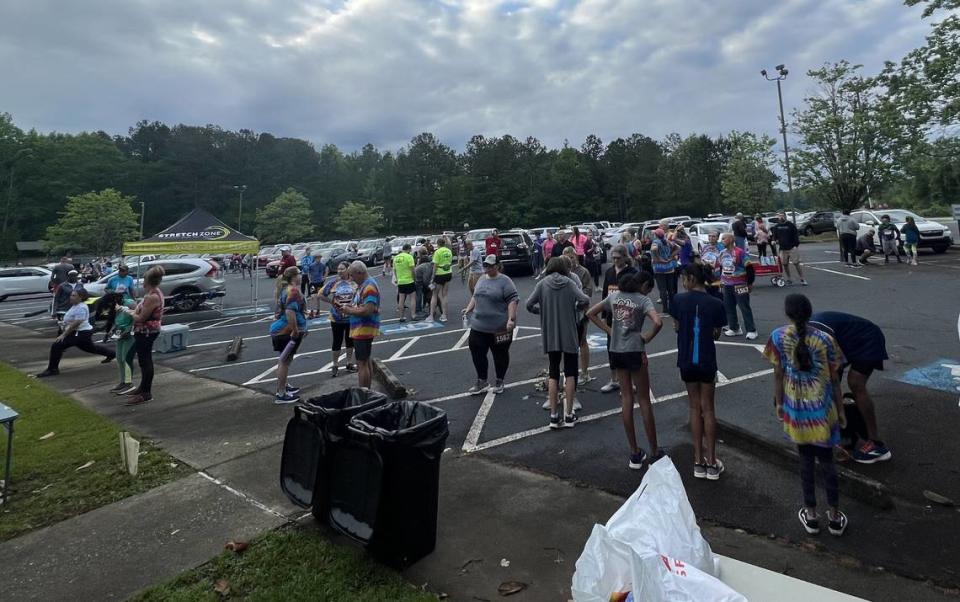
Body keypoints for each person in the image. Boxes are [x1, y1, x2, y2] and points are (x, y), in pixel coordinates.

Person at [764, 294, 848, 537]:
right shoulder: (826, 340)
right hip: (823, 410)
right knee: (828, 462)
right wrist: (841, 410)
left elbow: (778, 374)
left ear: (787, 313)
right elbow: (835, 379)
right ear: (810, 312)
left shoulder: (778, 337)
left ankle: (811, 514)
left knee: (805, 462)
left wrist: (780, 403)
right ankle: (834, 515)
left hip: (796, 409)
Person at [587, 270, 662, 469]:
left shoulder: (614, 297)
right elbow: (658, 321)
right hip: (635, 350)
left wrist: (610, 331)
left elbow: (590, 313)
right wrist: (646, 337)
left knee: (626, 398)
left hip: (617, 350)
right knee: (644, 399)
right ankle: (654, 450)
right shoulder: (643, 300)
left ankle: (634, 452)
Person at [809, 311, 892, 463]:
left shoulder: (819, 336)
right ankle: (836, 437)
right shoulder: (801, 337)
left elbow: (834, 379)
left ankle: (877, 444)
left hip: (867, 338)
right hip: (847, 342)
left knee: (856, 383)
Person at [670, 263, 727, 480]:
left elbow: (676, 326)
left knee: (694, 407)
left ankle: (697, 460)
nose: (683, 283)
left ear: (692, 279)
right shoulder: (716, 303)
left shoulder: (677, 301)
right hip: (706, 359)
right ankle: (712, 462)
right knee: (708, 409)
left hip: (686, 360)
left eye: (684, 278)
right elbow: (716, 334)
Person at [526, 257, 590, 429]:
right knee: (570, 372)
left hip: (550, 333)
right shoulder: (569, 283)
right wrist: (575, 308)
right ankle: (569, 415)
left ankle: (554, 416)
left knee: (553, 372)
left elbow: (528, 304)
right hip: (568, 332)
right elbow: (585, 300)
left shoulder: (542, 284)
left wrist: (542, 311)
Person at [462, 254, 519, 395]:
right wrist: (468, 309)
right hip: (478, 325)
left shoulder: (505, 281)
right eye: (486, 265)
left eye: (490, 265)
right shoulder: (481, 279)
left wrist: (511, 319)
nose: (487, 268)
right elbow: (475, 296)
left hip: (499, 327)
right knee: (476, 352)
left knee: (500, 354)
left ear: (497, 266)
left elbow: (513, 300)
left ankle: (500, 380)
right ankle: (482, 380)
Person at [36, 288, 115, 377]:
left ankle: (52, 369)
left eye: (74, 295)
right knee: (90, 348)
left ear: (81, 297)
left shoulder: (81, 307)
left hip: (81, 333)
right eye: (71, 295)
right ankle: (112, 354)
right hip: (79, 332)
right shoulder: (76, 305)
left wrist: (64, 334)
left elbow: (77, 323)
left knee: (57, 345)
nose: (71, 297)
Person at [119, 266, 165, 405]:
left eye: (143, 279)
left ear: (148, 281)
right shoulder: (151, 294)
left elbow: (140, 318)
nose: (141, 282)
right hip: (143, 332)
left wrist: (128, 312)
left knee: (145, 362)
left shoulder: (152, 296)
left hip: (147, 332)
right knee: (143, 360)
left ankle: (146, 393)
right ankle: (142, 388)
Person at [599, 244, 637, 394]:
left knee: (627, 349)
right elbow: (604, 293)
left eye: (618, 258)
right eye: (613, 258)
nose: (615, 260)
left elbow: (636, 294)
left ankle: (629, 382)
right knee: (611, 348)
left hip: (627, 315)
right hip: (611, 316)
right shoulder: (609, 272)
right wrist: (603, 315)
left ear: (624, 257)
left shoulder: (632, 272)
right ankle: (614, 379)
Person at [338, 261, 380, 388]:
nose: (352, 279)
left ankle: (364, 392)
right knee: (365, 361)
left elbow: (368, 310)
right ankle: (368, 391)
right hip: (361, 328)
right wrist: (350, 306)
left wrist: (349, 310)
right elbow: (362, 306)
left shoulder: (369, 287)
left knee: (361, 364)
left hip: (364, 329)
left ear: (360, 273)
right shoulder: (363, 285)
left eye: (353, 275)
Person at [269, 267, 307, 404]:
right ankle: (281, 393)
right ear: (294, 276)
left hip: (282, 331)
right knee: (284, 362)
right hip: (285, 332)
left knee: (285, 360)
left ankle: (284, 386)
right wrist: (296, 330)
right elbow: (290, 313)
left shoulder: (287, 290)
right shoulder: (293, 291)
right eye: (299, 273)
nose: (301, 275)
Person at [318, 262, 358, 377]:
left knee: (350, 340)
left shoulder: (354, 282)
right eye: (338, 269)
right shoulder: (333, 283)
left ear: (348, 269)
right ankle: (335, 365)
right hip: (336, 317)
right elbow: (320, 294)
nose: (340, 271)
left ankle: (349, 362)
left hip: (351, 316)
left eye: (342, 269)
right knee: (337, 341)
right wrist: (332, 302)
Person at [563, 246, 595, 385]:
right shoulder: (562, 273)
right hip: (566, 314)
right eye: (566, 258)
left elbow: (588, 291)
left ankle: (585, 372)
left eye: (571, 257)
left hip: (581, 312)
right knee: (568, 345)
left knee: (582, 341)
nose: (569, 260)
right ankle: (570, 372)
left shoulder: (583, 272)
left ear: (575, 257)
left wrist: (578, 301)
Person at [719, 233, 757, 339]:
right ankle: (734, 328)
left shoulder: (740, 252)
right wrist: (721, 281)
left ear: (731, 240)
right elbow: (722, 268)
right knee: (729, 306)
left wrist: (750, 283)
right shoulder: (722, 253)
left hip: (740, 284)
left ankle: (751, 330)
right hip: (727, 284)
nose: (721, 241)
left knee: (744, 307)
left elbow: (749, 268)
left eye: (723, 239)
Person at [110, 294, 138, 394]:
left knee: (126, 358)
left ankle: (129, 382)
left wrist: (130, 329)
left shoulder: (130, 303)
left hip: (129, 333)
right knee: (119, 357)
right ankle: (123, 381)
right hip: (120, 332)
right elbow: (115, 318)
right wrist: (113, 328)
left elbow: (137, 315)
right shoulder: (113, 305)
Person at [771, 212, 807, 285]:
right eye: (779, 216)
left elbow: (795, 235)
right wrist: (773, 241)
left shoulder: (790, 225)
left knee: (796, 263)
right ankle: (789, 279)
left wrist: (795, 245)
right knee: (784, 264)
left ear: (785, 217)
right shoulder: (777, 226)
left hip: (791, 247)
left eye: (782, 216)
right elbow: (774, 236)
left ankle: (802, 278)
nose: (781, 218)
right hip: (782, 248)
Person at [650, 228, 679, 315]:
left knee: (662, 289)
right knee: (670, 289)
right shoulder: (667, 241)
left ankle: (665, 308)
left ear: (656, 235)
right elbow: (678, 247)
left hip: (659, 268)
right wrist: (670, 256)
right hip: (669, 268)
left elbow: (653, 249)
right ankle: (672, 307)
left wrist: (658, 258)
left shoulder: (656, 242)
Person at [427, 237, 453, 322]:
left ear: (438, 244)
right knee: (445, 295)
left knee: (435, 295)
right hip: (448, 273)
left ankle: (431, 316)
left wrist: (432, 278)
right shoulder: (449, 251)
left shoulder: (437, 252)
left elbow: (435, 266)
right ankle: (444, 315)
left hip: (439, 274)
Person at [392, 243, 416, 322]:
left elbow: (394, 270)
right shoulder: (409, 257)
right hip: (409, 280)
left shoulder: (396, 258)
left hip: (401, 281)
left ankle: (401, 317)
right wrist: (414, 279)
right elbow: (412, 269)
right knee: (412, 298)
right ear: (408, 249)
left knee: (401, 299)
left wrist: (398, 278)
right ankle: (413, 315)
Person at [304, 250, 326, 318]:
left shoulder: (322, 265)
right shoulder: (311, 265)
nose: (318, 259)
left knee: (318, 297)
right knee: (313, 297)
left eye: (319, 258)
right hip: (313, 282)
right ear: (315, 259)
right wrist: (309, 279)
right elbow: (308, 272)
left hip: (319, 282)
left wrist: (324, 277)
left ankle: (318, 311)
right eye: (317, 258)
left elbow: (325, 270)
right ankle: (312, 311)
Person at [414, 249, 434, 319]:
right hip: (417, 282)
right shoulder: (427, 266)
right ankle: (418, 310)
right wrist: (430, 287)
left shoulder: (424, 265)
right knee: (419, 296)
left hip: (418, 281)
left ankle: (422, 308)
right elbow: (426, 280)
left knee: (424, 294)